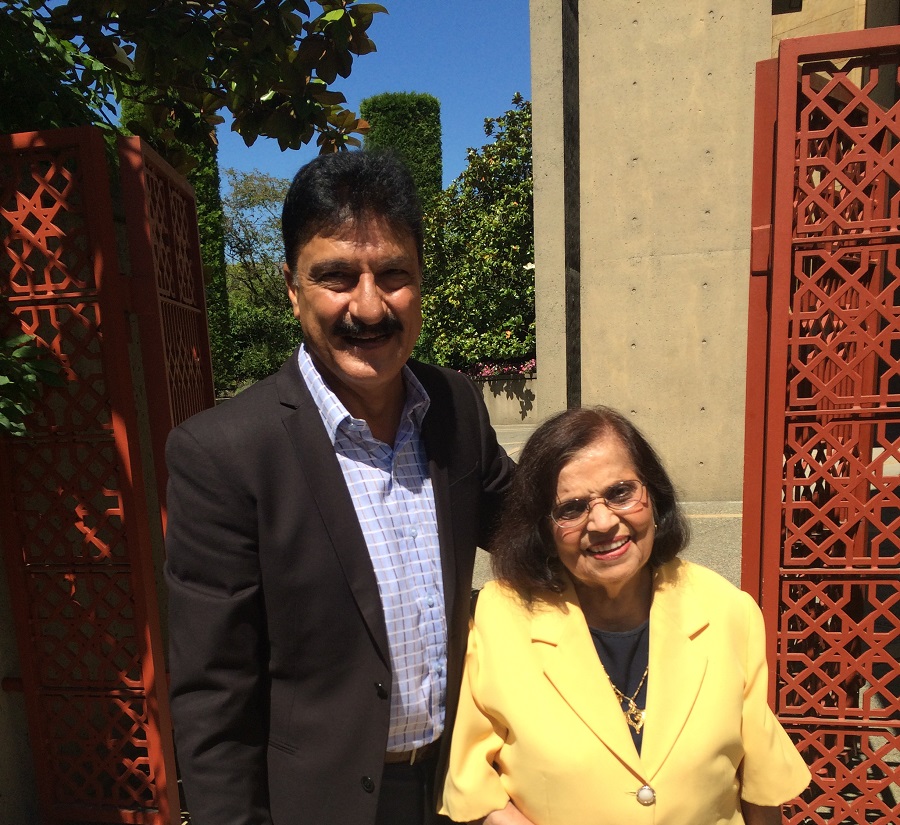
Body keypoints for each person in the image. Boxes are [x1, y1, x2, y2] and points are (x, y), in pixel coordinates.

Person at [164, 150, 515, 825]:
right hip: (320, 805)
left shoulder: (456, 407)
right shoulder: (225, 454)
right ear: (292, 288)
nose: (369, 305)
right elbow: (213, 696)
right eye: (335, 276)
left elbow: (532, 535)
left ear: (420, 281)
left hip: (463, 790)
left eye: (393, 274)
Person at [439, 406, 810, 825]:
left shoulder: (727, 610)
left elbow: (761, 785)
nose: (602, 522)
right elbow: (474, 784)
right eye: (572, 508)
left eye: (620, 493)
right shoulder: (499, 615)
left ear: (653, 495)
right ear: (543, 527)